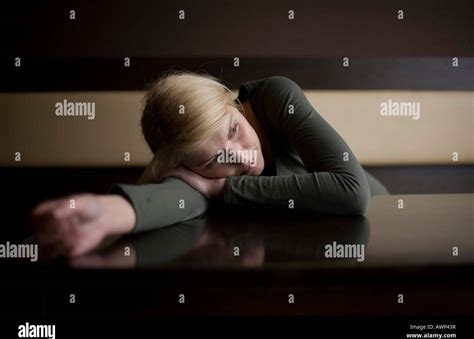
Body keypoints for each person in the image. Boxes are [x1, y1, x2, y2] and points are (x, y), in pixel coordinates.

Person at [30, 71, 389, 259]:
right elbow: (174, 198)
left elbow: (352, 193)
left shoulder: (276, 98)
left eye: (234, 129)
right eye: (218, 159)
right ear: (193, 168)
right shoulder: (192, 171)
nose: (242, 155)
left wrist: (224, 188)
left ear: (232, 103)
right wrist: (102, 212)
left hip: (385, 225)